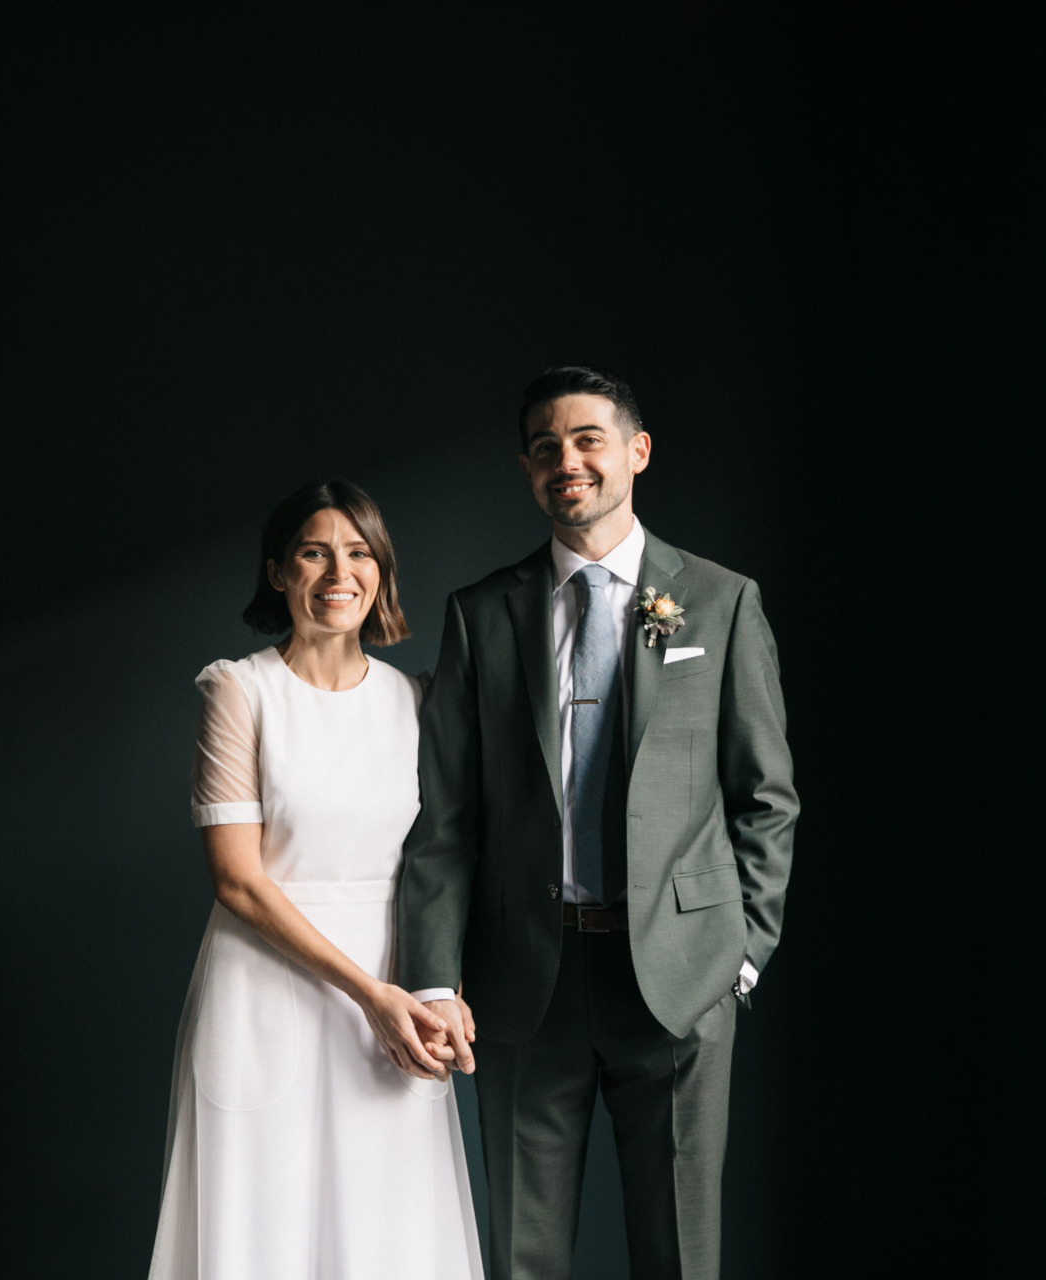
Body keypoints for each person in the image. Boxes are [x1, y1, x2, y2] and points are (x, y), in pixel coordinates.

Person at [398, 367, 800, 1280]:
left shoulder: (721, 601)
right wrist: (431, 978)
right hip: (522, 981)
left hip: (680, 976)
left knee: (681, 1254)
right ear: (529, 470)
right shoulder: (482, 615)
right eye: (546, 448)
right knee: (523, 1255)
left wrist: (743, 953)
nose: (566, 462)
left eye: (587, 440)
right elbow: (446, 817)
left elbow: (766, 796)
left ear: (636, 453)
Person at [149, 480, 484, 1280]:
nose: (340, 571)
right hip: (265, 987)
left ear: (382, 572)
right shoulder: (238, 689)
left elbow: (443, 861)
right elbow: (237, 881)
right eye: (314, 552)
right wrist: (370, 995)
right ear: (278, 573)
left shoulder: (419, 702)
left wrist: (434, 990)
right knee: (260, 1226)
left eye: (360, 552)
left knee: (388, 1232)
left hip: (396, 998)